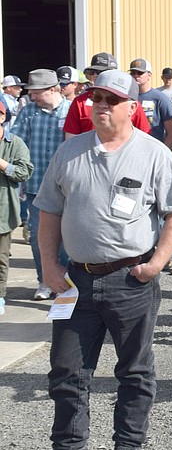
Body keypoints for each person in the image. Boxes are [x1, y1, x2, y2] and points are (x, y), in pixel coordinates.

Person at [16, 70, 172, 450]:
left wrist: (155, 264)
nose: (101, 106)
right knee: (66, 369)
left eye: (112, 100)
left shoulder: (153, 154)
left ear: (132, 107)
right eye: (96, 98)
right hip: (76, 281)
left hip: (131, 279)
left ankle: (127, 447)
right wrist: (50, 268)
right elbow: (48, 212)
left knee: (133, 370)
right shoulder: (70, 151)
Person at [9, 69, 69, 301]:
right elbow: (16, 141)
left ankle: (64, 282)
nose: (31, 97)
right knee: (38, 237)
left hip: (65, 188)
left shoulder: (70, 110)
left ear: (52, 89)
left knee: (67, 237)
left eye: (36, 92)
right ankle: (44, 280)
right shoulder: (28, 113)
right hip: (35, 187)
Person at [64, 53, 151, 138]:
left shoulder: (128, 102)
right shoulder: (79, 102)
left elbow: (144, 135)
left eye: (100, 72)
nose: (95, 75)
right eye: (92, 72)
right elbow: (71, 137)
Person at [0, 102, 33, 314]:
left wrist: (2, 164)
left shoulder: (15, 143)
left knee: (1, 258)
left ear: (2, 117)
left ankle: (0, 297)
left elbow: (24, 172)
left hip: (3, 211)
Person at [127, 58, 172, 148]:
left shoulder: (159, 98)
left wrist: (162, 154)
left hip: (152, 149)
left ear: (149, 75)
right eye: (132, 73)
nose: (136, 76)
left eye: (140, 73)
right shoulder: (125, 97)